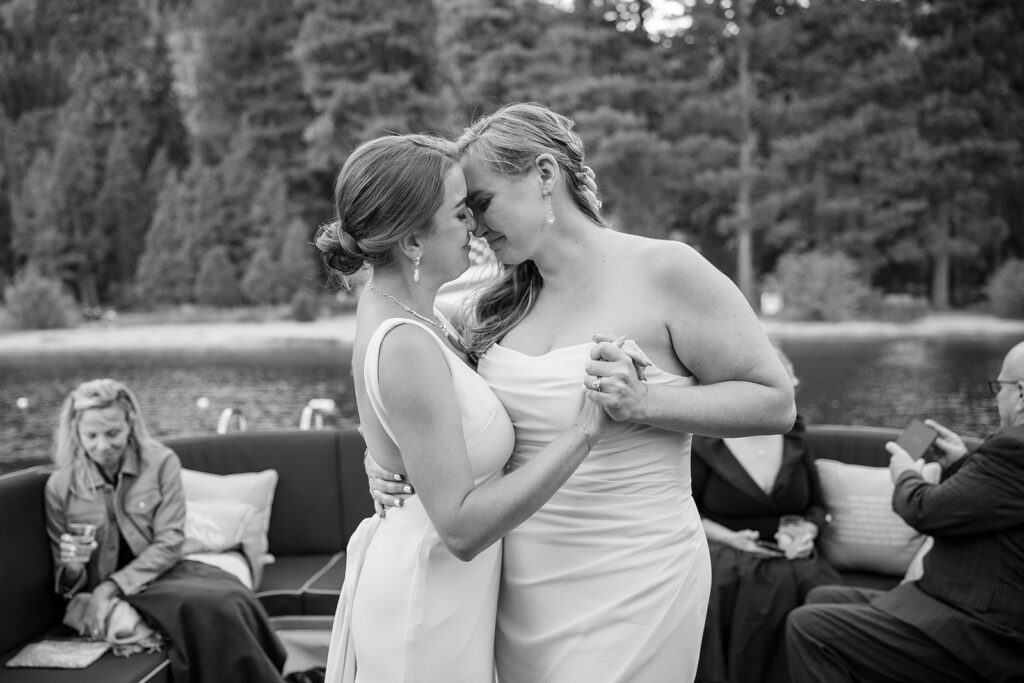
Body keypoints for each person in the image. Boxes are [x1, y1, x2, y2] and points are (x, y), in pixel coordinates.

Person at [368, 102, 796, 682]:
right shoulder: (490, 305)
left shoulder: (667, 270)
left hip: (637, 573)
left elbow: (775, 402)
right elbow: (402, 352)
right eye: (465, 212)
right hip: (521, 579)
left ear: (545, 175)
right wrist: (386, 454)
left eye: (484, 203)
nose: (475, 227)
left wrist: (647, 403)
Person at [314, 133, 613, 682]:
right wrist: (584, 432)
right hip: (425, 598)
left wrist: (380, 453)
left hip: (451, 593)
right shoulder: (404, 339)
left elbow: (401, 424)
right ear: (411, 241)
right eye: (459, 212)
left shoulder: (421, 312)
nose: (473, 225)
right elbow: (459, 527)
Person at [785, 340, 1024, 683]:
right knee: (822, 595)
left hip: (976, 632)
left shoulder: (1012, 448)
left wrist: (905, 474)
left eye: (997, 387)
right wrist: (962, 463)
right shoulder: (1011, 454)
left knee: (808, 628)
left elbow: (925, 511)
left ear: (1019, 394)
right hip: (948, 602)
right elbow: (989, 502)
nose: (995, 396)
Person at [45, 378, 287, 682]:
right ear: (76, 432)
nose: (102, 446)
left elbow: (170, 541)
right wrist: (72, 567)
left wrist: (115, 585)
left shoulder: (161, 462)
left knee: (232, 596)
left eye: (113, 433)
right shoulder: (60, 487)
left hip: (159, 572)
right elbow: (66, 582)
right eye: (90, 435)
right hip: (105, 585)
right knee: (211, 607)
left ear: (130, 423)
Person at [691, 347, 839, 683]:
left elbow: (817, 508)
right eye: (788, 376)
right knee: (752, 585)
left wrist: (807, 531)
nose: (797, 382)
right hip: (727, 552)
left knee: (811, 590)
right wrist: (730, 538)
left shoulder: (796, 434)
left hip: (794, 555)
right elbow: (684, 510)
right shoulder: (704, 440)